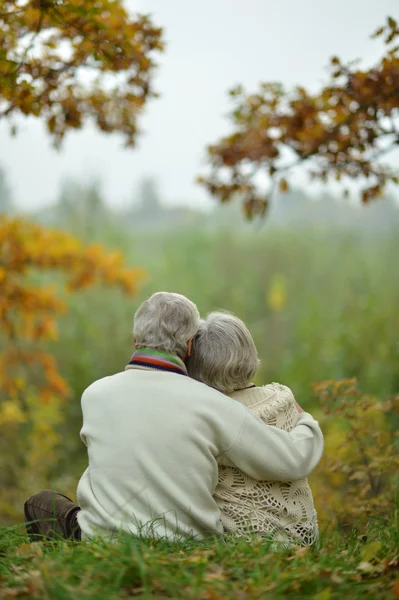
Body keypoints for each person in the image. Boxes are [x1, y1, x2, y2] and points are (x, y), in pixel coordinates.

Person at [24, 292, 323, 541]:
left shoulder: (93, 395)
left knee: (41, 503)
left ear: (134, 339)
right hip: (190, 545)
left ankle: (56, 575)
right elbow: (291, 460)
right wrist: (304, 420)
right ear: (190, 346)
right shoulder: (213, 404)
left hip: (104, 541)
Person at [186, 311, 319, 545]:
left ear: (197, 367)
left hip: (249, 543)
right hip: (304, 535)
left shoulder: (208, 419)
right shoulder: (283, 398)